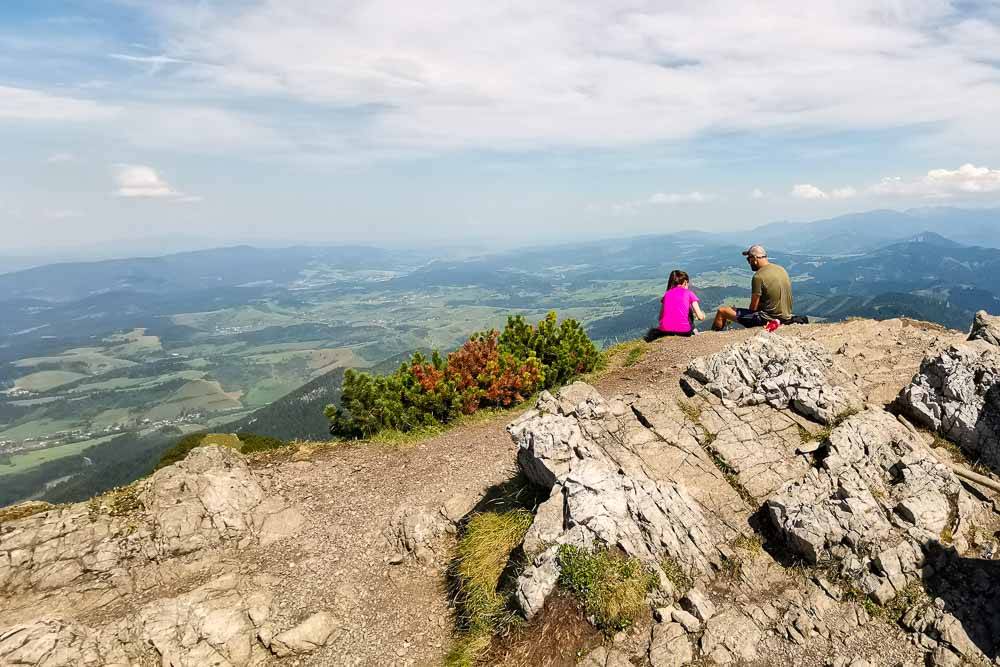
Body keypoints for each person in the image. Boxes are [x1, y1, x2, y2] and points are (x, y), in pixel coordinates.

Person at [712, 244, 794, 331]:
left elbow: (753, 308)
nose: (748, 262)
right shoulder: (781, 269)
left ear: (755, 258)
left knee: (722, 311)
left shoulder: (758, 276)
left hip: (767, 318)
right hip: (786, 316)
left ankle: (711, 336)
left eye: (748, 259)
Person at [645, 270, 705, 342]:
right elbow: (700, 317)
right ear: (685, 282)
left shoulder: (667, 294)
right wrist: (703, 315)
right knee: (689, 311)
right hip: (684, 332)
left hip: (665, 331)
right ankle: (694, 330)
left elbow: (660, 317)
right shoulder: (689, 293)